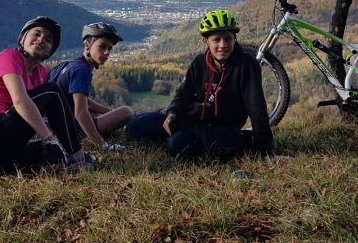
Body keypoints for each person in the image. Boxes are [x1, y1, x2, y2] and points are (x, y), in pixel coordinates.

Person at [0, 16, 97, 175]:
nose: (41, 40)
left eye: (48, 40)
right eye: (36, 34)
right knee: (53, 92)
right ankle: (78, 157)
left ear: (50, 51)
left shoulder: (41, 73)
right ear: (22, 39)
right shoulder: (9, 57)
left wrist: (54, 145)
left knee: (46, 150)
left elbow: (49, 111)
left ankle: (64, 164)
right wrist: (50, 138)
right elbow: (20, 101)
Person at [161, 9, 274, 160]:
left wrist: (264, 149)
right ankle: (182, 135)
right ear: (205, 41)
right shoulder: (199, 62)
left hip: (222, 129)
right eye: (216, 40)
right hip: (194, 119)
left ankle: (243, 142)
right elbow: (184, 92)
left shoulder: (246, 65)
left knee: (177, 144)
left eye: (228, 39)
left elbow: (257, 108)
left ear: (235, 39)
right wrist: (172, 112)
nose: (223, 45)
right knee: (138, 127)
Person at [48, 22, 133, 151]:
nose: (106, 52)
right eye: (102, 46)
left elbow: (84, 102)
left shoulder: (70, 63)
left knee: (97, 113)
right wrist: (102, 145)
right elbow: (80, 113)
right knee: (126, 112)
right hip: (67, 130)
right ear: (87, 45)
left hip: (52, 125)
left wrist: (110, 112)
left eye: (109, 48)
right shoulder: (81, 70)